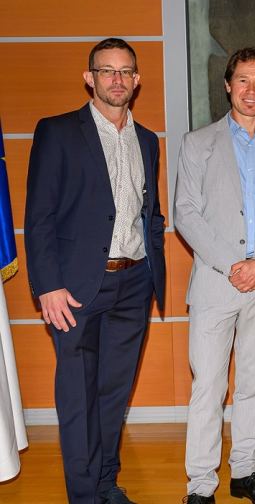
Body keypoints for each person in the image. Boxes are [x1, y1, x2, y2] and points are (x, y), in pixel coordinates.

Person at [25, 37, 166, 504]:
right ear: (90, 78)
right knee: (78, 398)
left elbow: (152, 213)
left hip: (133, 284)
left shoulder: (147, 140)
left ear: (137, 80)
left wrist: (151, 269)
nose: (117, 79)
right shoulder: (58, 131)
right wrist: (47, 286)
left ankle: (106, 483)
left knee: (112, 395)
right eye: (107, 70)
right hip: (77, 289)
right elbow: (39, 216)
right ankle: (84, 495)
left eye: (125, 71)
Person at [175, 47, 255, 504]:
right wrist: (231, 266)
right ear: (228, 85)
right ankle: (200, 485)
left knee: (252, 385)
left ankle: (245, 472)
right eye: (243, 81)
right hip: (215, 284)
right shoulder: (197, 144)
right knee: (208, 386)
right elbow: (185, 214)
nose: (252, 91)